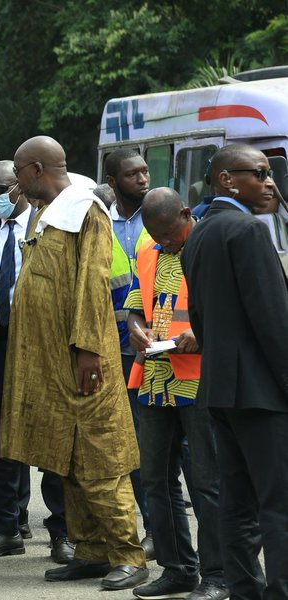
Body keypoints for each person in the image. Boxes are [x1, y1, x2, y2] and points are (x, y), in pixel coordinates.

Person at [0, 136, 147, 590]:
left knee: (100, 458)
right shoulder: (46, 213)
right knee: (66, 460)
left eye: (20, 174)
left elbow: (92, 284)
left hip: (83, 361)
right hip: (49, 364)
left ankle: (128, 555)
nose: (17, 185)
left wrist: (87, 349)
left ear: (38, 168)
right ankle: (91, 551)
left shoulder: (86, 211)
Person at [181, 143, 288, 600]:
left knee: (237, 501)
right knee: (279, 505)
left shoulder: (199, 233)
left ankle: (245, 589)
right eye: (259, 172)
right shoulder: (246, 230)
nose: (269, 182)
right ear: (227, 180)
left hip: (220, 388)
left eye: (270, 173)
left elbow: (201, 321)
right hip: (262, 392)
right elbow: (274, 321)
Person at [124, 188, 227, 600]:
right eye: (156, 235)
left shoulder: (209, 246)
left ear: (186, 213)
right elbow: (135, 304)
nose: (164, 241)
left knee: (207, 482)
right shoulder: (148, 250)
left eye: (169, 233)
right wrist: (134, 328)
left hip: (198, 380)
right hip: (154, 378)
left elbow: (232, 309)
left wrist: (200, 334)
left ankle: (218, 574)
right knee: (155, 480)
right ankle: (177, 568)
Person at [0, 161, 71, 564]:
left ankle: (61, 531)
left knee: (49, 437)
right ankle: (6, 526)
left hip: (41, 347)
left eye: (1, 188)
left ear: (21, 187)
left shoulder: (48, 229)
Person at [104, 148, 154, 559]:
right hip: (115, 351)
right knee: (131, 446)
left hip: (160, 349)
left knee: (164, 445)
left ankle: (161, 527)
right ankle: (146, 525)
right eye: (132, 174)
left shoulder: (159, 215)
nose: (142, 179)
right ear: (113, 181)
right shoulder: (101, 222)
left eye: (145, 171)